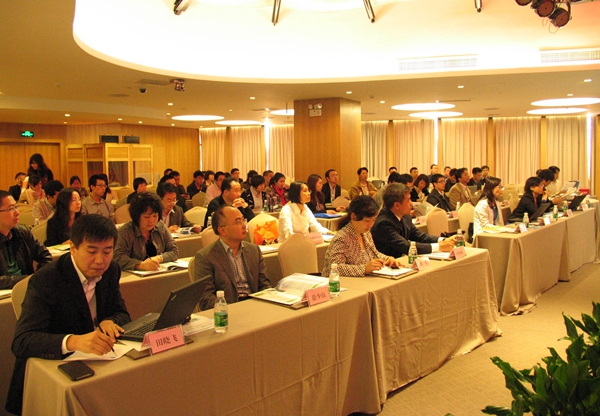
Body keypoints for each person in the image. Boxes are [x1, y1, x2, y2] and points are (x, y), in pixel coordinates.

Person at [6, 214, 131, 416]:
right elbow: (22, 341)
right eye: (92, 251)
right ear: (73, 248)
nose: (100, 260)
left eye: (107, 251)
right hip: (51, 374)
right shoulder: (47, 280)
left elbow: (121, 313)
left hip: (95, 364)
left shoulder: (111, 270)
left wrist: (110, 320)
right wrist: (73, 341)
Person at [193, 205, 271, 310]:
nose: (244, 225)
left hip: (255, 307)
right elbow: (206, 299)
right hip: (228, 311)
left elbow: (265, 285)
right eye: (238, 222)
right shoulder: (206, 257)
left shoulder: (254, 250)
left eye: (243, 220)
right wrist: (231, 309)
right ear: (222, 230)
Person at [322, 196, 400, 277]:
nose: (370, 225)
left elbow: (374, 254)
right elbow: (334, 267)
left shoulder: (365, 233)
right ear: (354, 216)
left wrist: (388, 259)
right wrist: (364, 269)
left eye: (373, 220)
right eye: (367, 221)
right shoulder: (342, 238)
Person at [371, 183, 455, 256]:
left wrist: (443, 240)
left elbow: (419, 236)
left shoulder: (405, 216)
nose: (411, 203)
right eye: (408, 200)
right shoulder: (383, 223)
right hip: (387, 264)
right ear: (397, 205)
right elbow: (405, 246)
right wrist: (439, 247)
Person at [0, 191, 52, 290]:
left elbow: (45, 256)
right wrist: (27, 279)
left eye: (16, 207)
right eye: (11, 209)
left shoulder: (22, 232)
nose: (17, 212)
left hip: (27, 289)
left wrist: (38, 276)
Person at [114, 192, 179, 271]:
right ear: (137, 216)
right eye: (146, 217)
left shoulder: (160, 226)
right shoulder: (124, 232)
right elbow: (118, 258)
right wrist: (140, 265)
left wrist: (159, 258)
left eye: (155, 216)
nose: (151, 221)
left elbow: (174, 251)